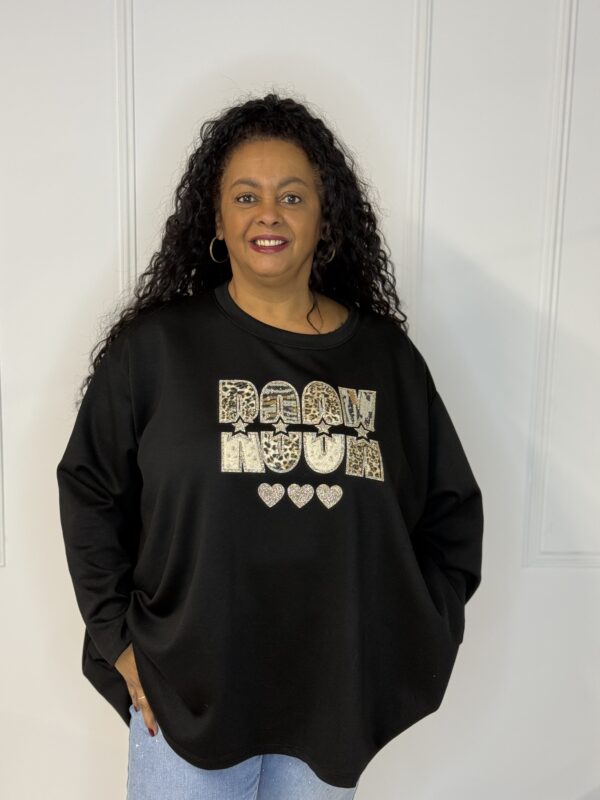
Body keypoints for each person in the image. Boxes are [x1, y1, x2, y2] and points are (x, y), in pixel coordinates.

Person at [56, 92, 484, 799]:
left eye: (292, 196)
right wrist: (118, 642)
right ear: (216, 220)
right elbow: (90, 489)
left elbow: (451, 511)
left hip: (331, 707)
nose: (268, 214)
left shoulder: (385, 362)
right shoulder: (157, 350)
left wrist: (405, 638)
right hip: (185, 702)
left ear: (326, 218)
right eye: (246, 196)